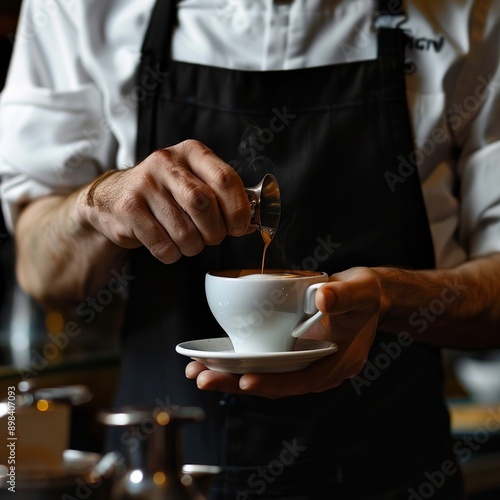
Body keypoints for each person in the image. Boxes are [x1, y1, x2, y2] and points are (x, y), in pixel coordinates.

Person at [1, 0, 500, 498]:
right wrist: (96, 206)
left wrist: (394, 297)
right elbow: (40, 270)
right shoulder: (76, 9)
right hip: (162, 473)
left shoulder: (471, 12)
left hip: (392, 474)